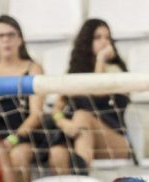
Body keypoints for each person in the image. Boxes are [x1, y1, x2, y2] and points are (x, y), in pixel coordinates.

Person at [0, 15, 69, 182]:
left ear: (20, 39)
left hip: (25, 136)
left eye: (11, 35)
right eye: (0, 36)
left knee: (19, 156)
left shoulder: (33, 68)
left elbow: (36, 115)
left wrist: (11, 141)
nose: (6, 40)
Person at [48, 19, 132, 174]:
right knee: (57, 153)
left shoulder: (115, 69)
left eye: (107, 38)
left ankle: (82, 176)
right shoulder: (75, 74)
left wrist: (101, 59)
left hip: (114, 140)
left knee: (81, 115)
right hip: (80, 135)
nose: (104, 42)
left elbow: (97, 91)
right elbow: (57, 108)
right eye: (98, 37)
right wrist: (63, 122)